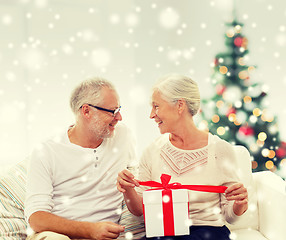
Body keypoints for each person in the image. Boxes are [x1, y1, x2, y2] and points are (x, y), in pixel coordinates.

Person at [117, 74, 248, 240]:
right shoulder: (152, 151)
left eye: (156, 106)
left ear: (180, 106)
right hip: (165, 233)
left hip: (208, 234)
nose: (151, 115)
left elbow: (231, 217)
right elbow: (140, 211)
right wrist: (128, 189)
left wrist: (239, 203)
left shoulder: (220, 150)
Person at [25, 77, 137, 240]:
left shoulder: (123, 136)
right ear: (86, 111)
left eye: (119, 109)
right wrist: (90, 230)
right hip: (58, 235)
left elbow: (137, 181)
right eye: (112, 111)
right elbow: (36, 218)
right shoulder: (46, 151)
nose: (119, 117)